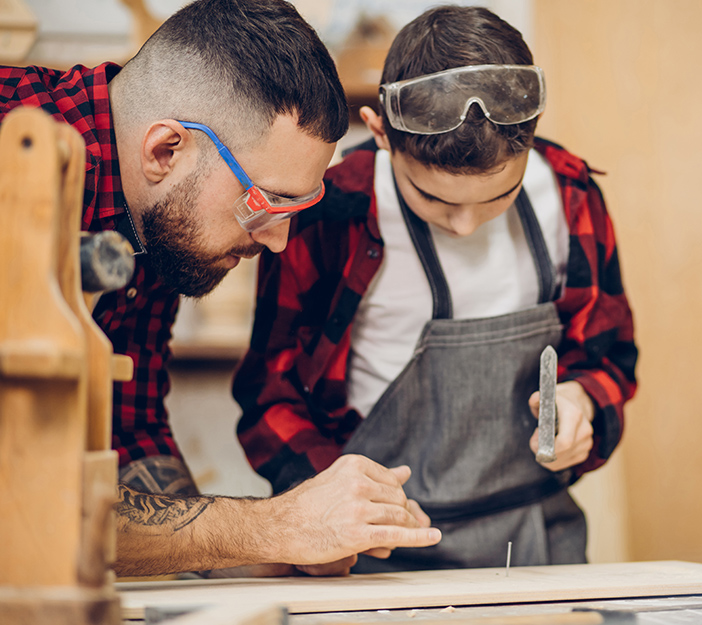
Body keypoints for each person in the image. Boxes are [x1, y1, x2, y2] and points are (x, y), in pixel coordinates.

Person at [0, 0, 440, 576]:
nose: (279, 242)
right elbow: (20, 504)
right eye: (265, 203)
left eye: (296, 207)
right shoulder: (19, 162)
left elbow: (129, 438)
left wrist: (254, 556)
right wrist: (269, 527)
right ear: (165, 150)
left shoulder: (158, 216)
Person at [233, 5, 637, 571]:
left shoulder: (568, 194)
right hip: (372, 547)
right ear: (378, 133)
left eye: (498, 197)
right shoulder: (332, 211)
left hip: (536, 540)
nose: (466, 226)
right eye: (436, 201)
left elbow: (610, 357)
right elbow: (269, 394)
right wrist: (322, 503)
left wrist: (583, 400)